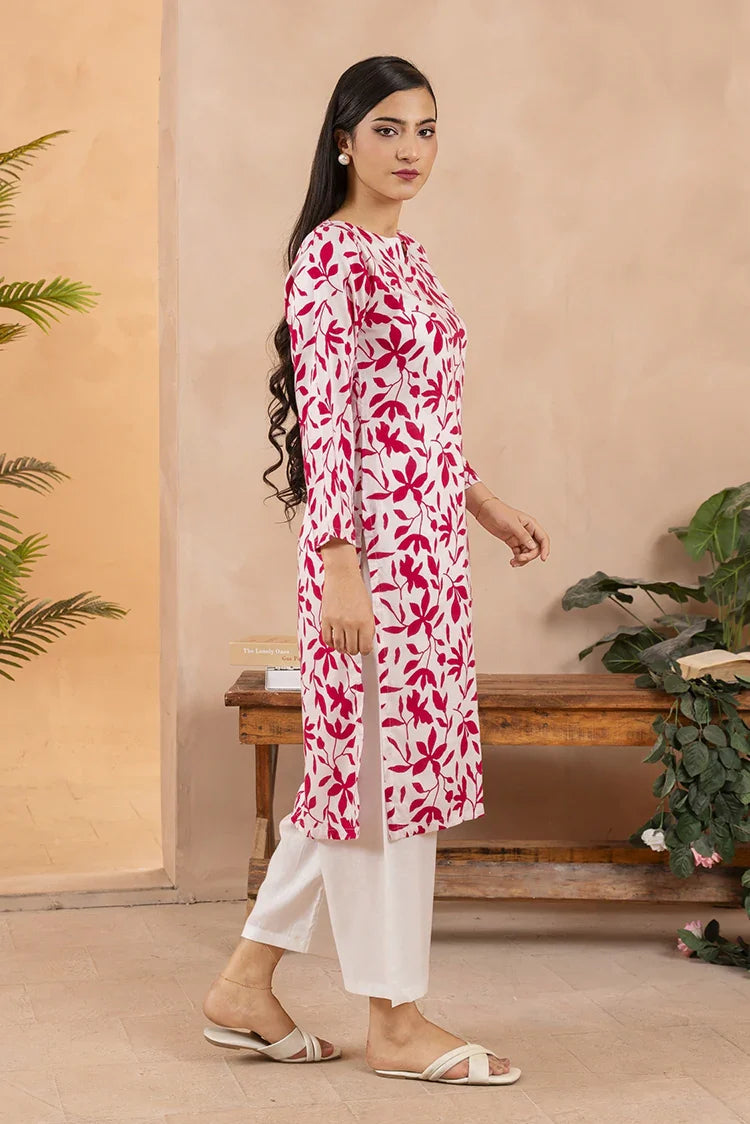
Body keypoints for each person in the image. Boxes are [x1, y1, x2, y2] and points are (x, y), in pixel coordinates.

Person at [203, 55, 549, 1087]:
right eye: (388, 129)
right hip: (372, 560)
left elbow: (414, 418)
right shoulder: (329, 259)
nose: (410, 150)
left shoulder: (411, 259)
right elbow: (330, 423)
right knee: (376, 781)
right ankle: (395, 1019)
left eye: (426, 130)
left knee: (364, 780)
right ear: (344, 141)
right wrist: (342, 564)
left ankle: (245, 986)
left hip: (433, 559)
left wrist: (481, 500)